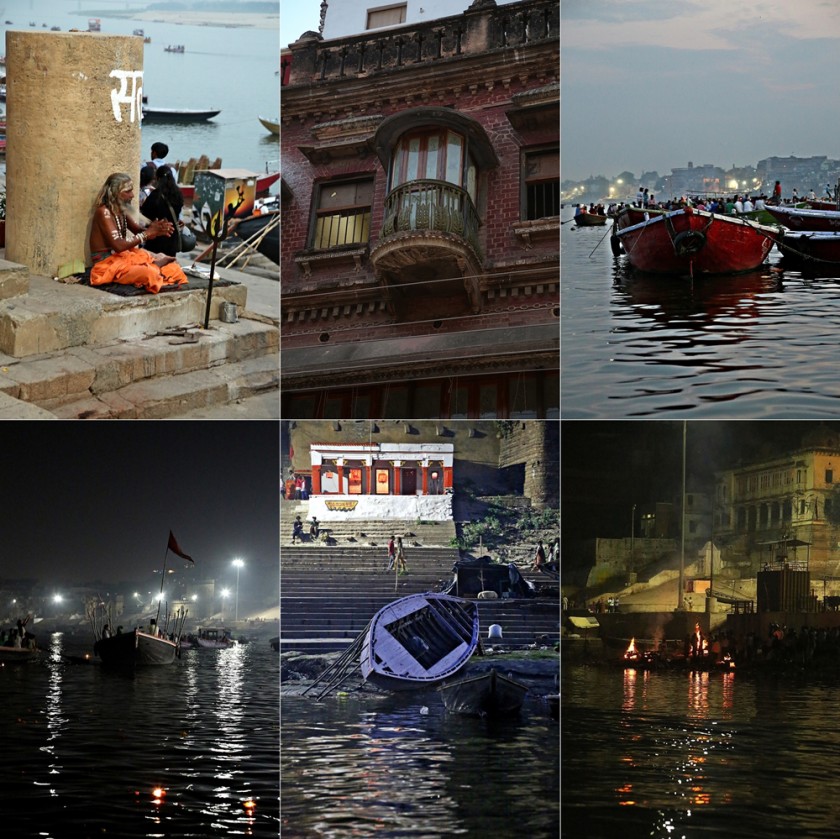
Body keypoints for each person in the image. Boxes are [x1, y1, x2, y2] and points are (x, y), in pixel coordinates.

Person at [89, 173, 188, 294]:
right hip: (106, 264)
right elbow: (118, 245)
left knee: (173, 267)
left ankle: (155, 264)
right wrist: (147, 233)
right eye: (128, 191)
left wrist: (156, 230)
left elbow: (138, 230)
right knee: (149, 273)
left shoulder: (121, 210)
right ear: (115, 192)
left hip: (122, 257)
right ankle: (154, 266)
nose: (132, 195)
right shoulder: (104, 212)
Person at [139, 164, 184, 257]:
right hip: (172, 235)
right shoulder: (178, 194)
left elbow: (145, 214)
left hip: (157, 236)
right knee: (169, 266)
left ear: (158, 178)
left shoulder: (156, 195)